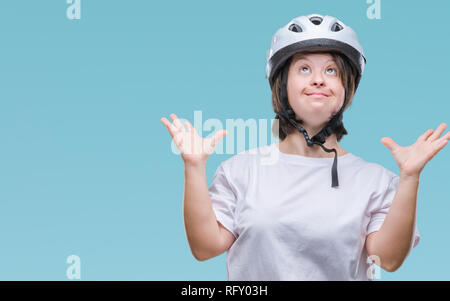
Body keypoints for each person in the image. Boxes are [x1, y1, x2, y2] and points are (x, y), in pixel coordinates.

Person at [161, 14, 449, 280]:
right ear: (282, 84)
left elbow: (387, 259)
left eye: (332, 70)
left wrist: (410, 178)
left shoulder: (376, 181)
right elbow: (205, 247)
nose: (318, 79)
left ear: (346, 87)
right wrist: (194, 167)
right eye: (304, 68)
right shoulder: (240, 171)